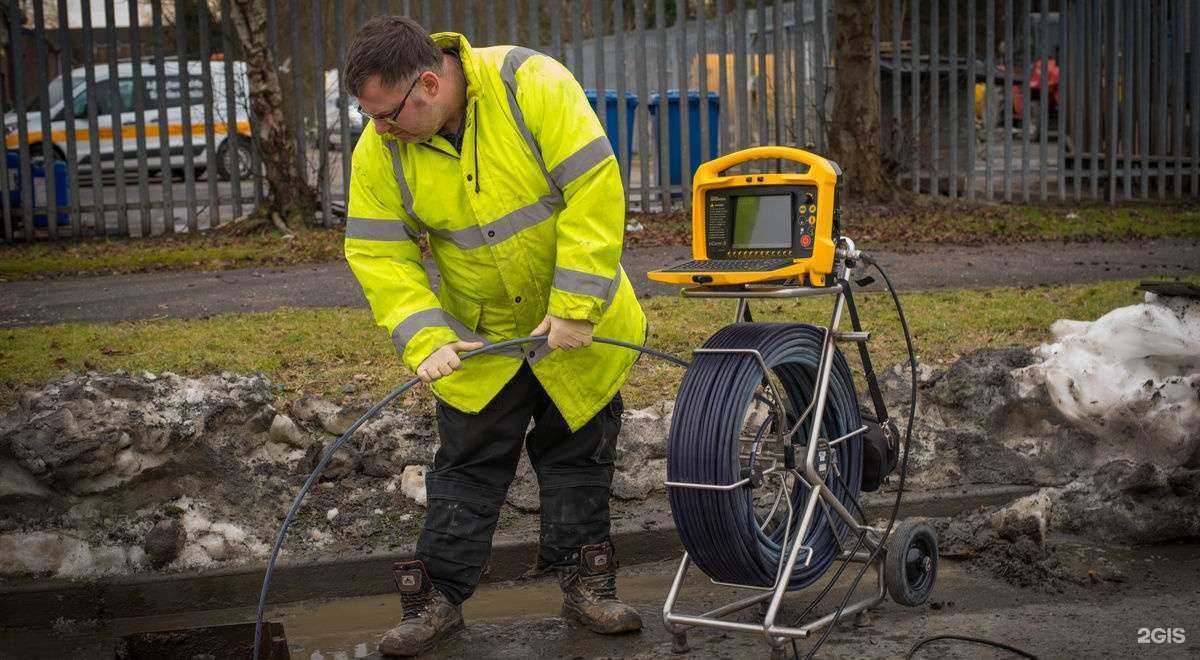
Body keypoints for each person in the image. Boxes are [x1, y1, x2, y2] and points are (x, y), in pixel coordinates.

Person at [342, 16, 648, 657]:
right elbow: (379, 256)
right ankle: (437, 605)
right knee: (466, 468)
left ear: (428, 82)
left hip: (578, 326)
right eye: (370, 117)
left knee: (578, 456)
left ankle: (588, 589)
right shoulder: (383, 149)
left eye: (389, 114)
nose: (379, 130)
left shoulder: (530, 85)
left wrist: (574, 308)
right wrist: (427, 339)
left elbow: (595, 190)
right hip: (482, 340)